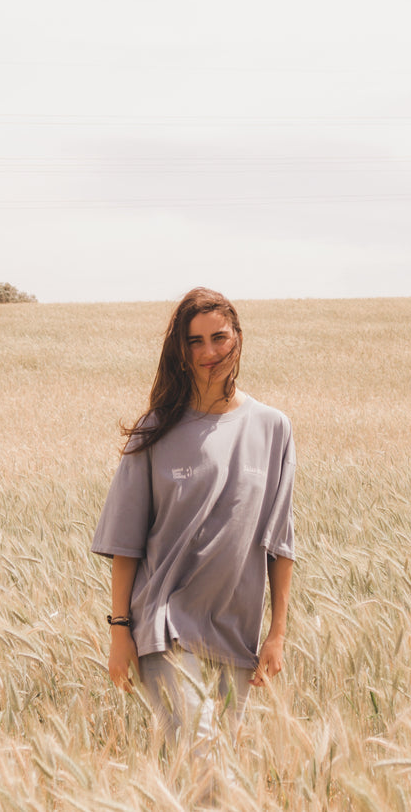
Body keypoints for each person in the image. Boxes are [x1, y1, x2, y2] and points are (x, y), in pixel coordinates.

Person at [91, 287, 296, 763]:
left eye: (219, 338)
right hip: (166, 625)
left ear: (239, 339)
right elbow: (127, 542)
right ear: (181, 351)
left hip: (236, 631)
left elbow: (279, 542)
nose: (209, 353)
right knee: (203, 759)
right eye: (195, 342)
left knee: (219, 768)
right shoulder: (156, 429)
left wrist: (278, 633)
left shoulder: (273, 427)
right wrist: (120, 630)